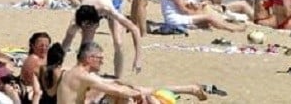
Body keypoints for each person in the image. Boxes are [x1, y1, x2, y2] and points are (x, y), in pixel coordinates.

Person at [58, 42, 210, 104]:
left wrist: (128, 87)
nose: (102, 62)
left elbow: (111, 84)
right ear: (90, 58)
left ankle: (189, 89)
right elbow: (115, 89)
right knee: (123, 95)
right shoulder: (83, 75)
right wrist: (135, 94)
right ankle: (188, 89)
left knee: (125, 91)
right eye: (100, 58)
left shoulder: (74, 72)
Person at [61, 0, 142, 79]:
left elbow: (134, 29)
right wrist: (57, 64)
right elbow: (66, 42)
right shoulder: (76, 18)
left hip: (110, 2)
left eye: (91, 26)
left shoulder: (108, 9)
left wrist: (138, 58)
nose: (89, 29)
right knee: (86, 45)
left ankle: (117, 77)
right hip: (92, 5)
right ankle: (82, 73)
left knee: (118, 42)